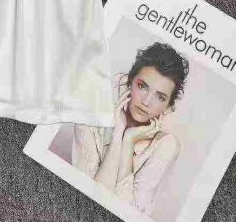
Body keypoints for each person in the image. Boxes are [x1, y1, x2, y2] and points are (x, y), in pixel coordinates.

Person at [71, 42, 189, 217]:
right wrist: (118, 133)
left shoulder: (166, 144)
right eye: (142, 86)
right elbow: (87, 199)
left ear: (168, 106)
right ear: (128, 82)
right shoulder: (89, 119)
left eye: (160, 97)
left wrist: (128, 141)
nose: (146, 102)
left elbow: (129, 214)